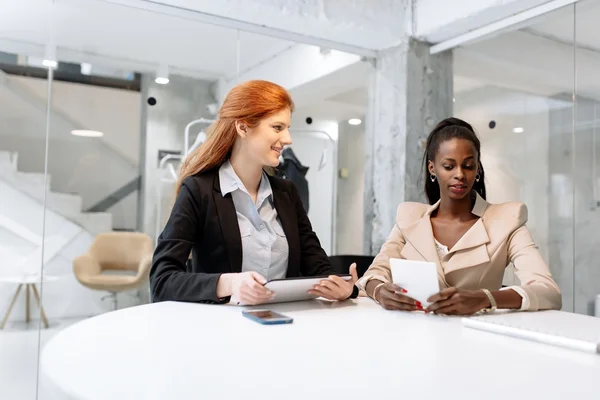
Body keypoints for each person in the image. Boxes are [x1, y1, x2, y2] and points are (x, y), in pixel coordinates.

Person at [150, 80, 358, 305]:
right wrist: (231, 284)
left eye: (287, 128)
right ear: (242, 128)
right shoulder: (199, 191)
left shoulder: (286, 193)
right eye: (277, 128)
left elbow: (316, 264)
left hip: (284, 325)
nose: (288, 139)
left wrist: (341, 287)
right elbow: (162, 280)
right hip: (221, 329)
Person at [356, 117, 561, 315]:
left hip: (474, 339)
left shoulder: (507, 220)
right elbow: (374, 274)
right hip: (414, 337)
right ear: (432, 168)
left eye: (468, 165)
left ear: (478, 168)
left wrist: (484, 298)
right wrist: (380, 292)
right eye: (449, 166)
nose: (460, 174)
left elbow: (548, 291)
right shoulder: (409, 218)